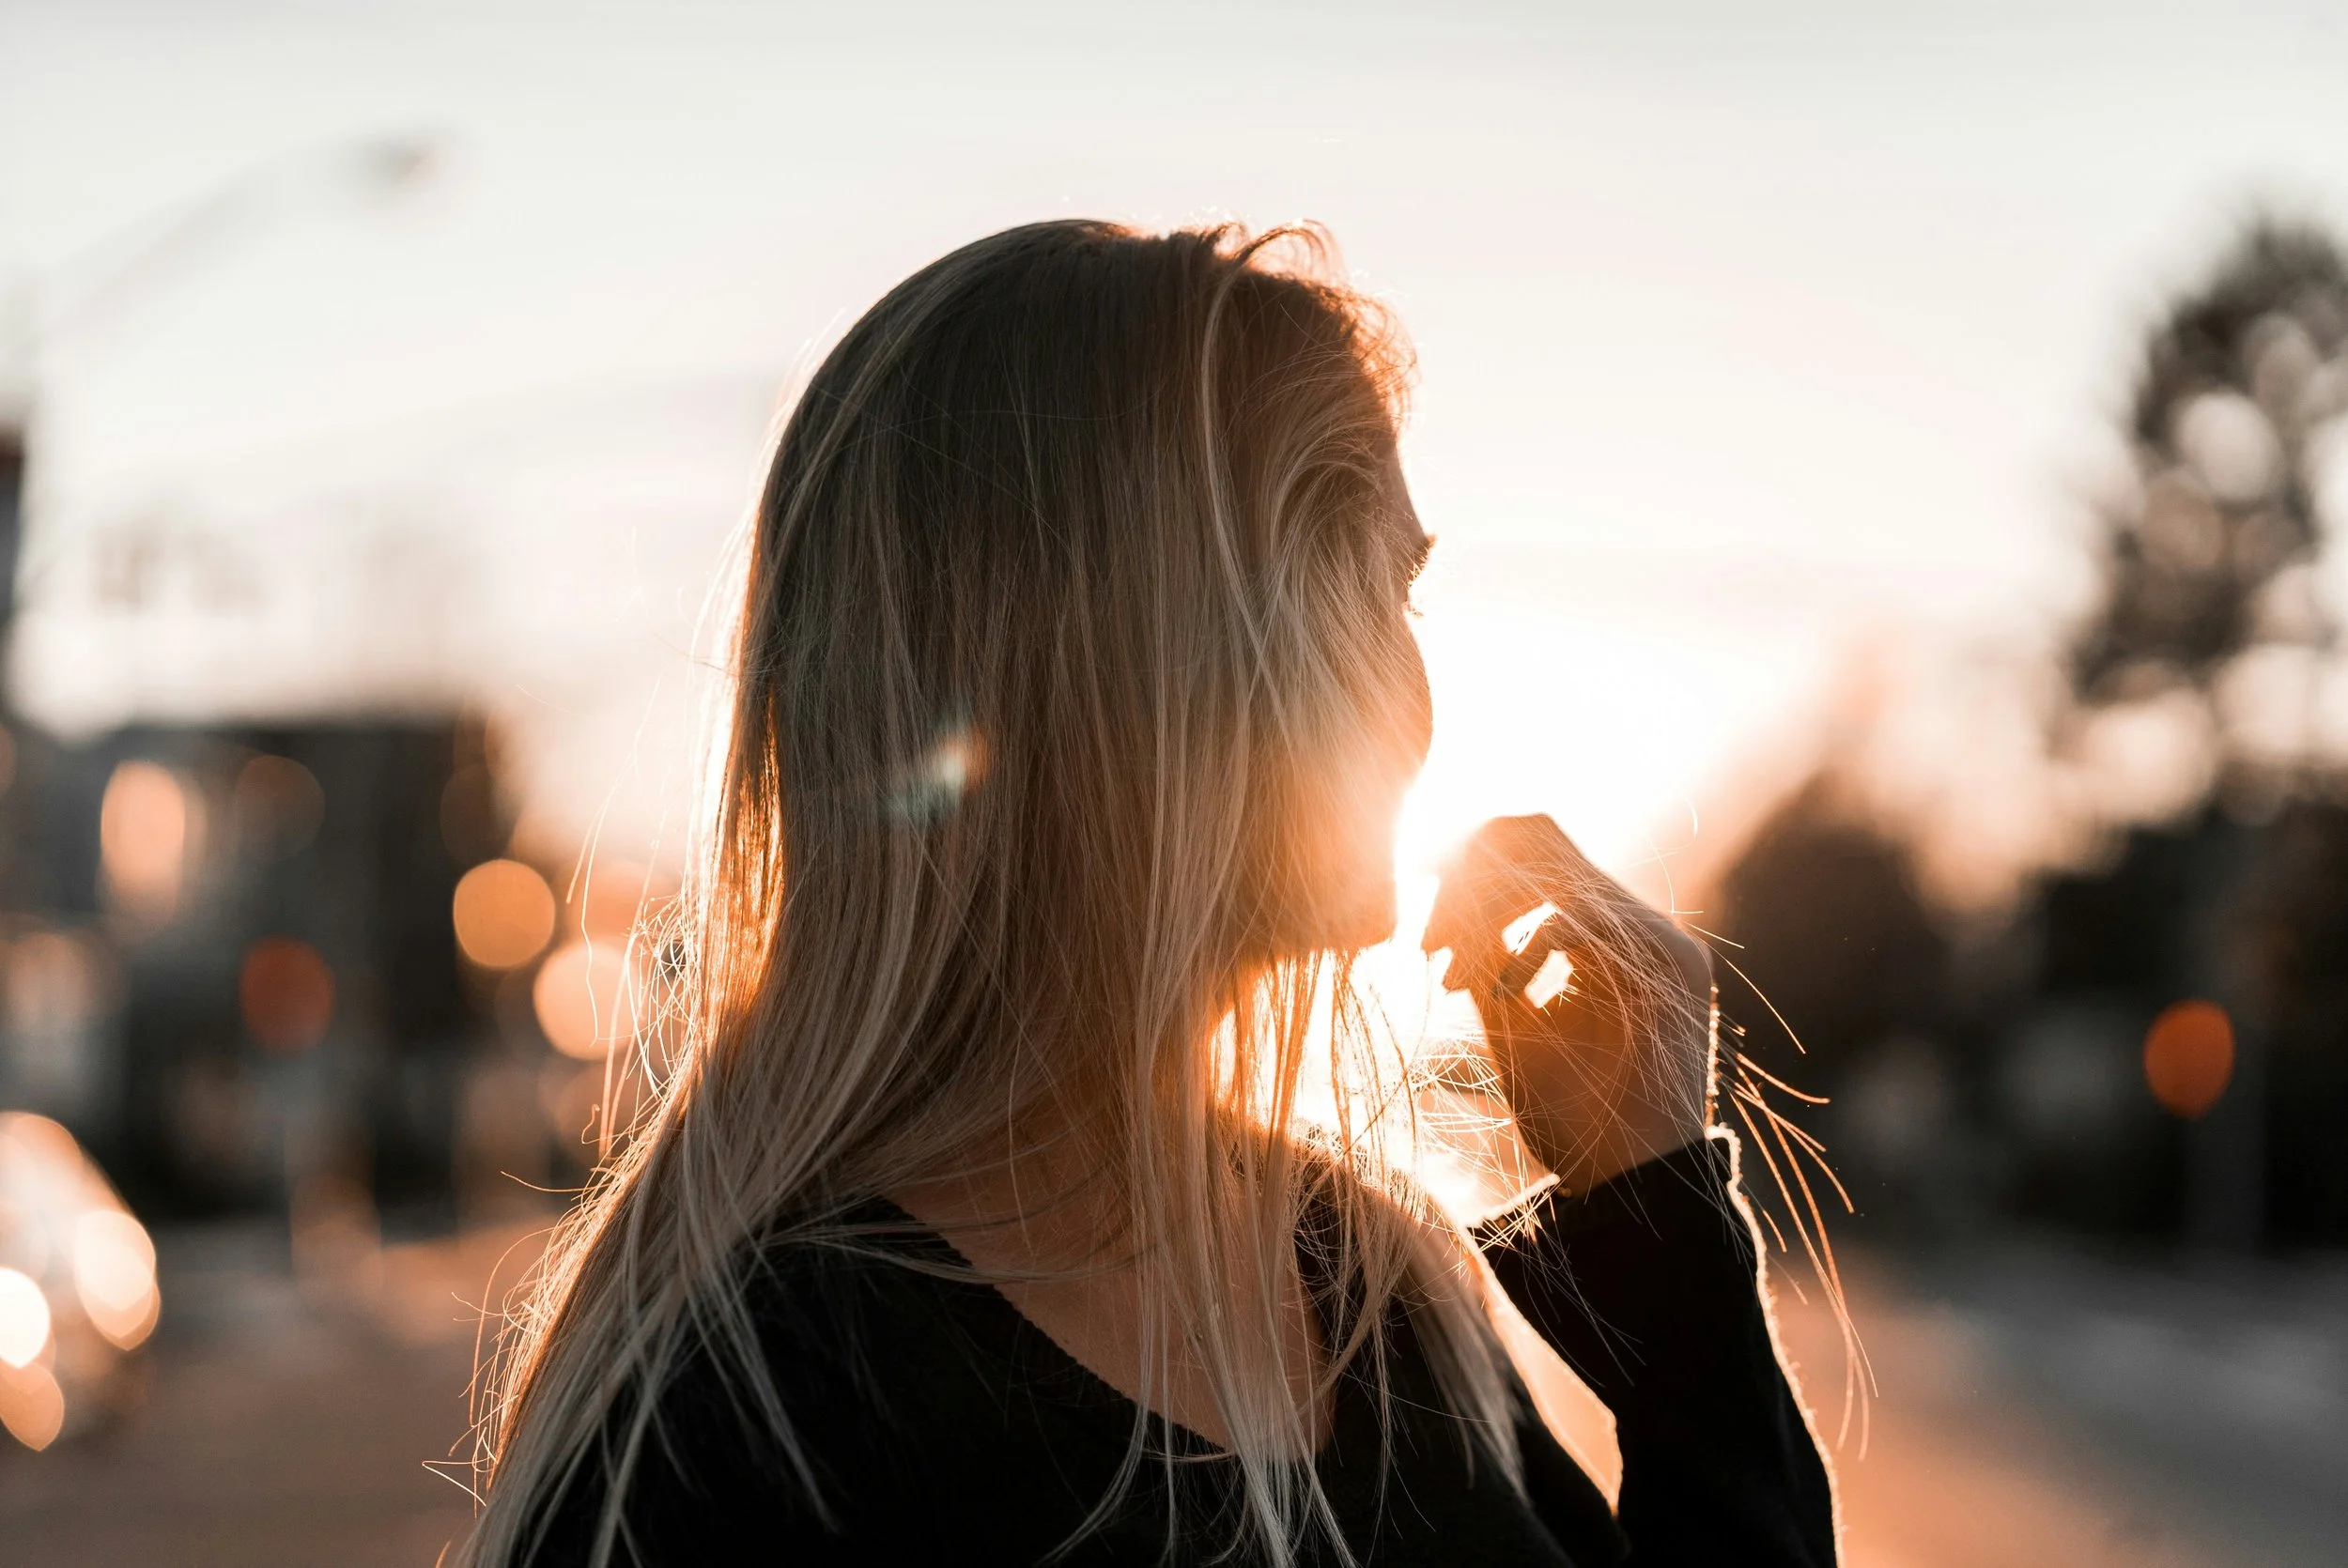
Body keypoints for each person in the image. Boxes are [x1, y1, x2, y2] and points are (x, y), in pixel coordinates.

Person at [457, 221, 1837, 1566]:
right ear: (1160, 658)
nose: (1418, 694)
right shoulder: (744, 1421)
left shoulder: (1374, 1289)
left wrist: (1662, 1238)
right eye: (1380, 588)